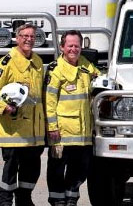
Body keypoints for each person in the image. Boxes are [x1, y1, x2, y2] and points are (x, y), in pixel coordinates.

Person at [0, 23, 46, 206]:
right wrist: (4, 107)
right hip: (14, 130)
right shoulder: (7, 62)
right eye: (25, 36)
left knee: (32, 169)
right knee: (11, 170)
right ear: (17, 38)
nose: (29, 39)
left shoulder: (38, 62)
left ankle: (24, 200)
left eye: (32, 36)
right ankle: (5, 201)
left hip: (34, 131)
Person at [45, 30, 101, 206]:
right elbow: (49, 102)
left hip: (83, 135)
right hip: (61, 133)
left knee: (79, 170)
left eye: (77, 46)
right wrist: (52, 128)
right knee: (56, 169)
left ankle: (71, 200)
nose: (74, 49)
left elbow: (100, 79)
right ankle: (57, 201)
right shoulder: (55, 70)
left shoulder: (86, 66)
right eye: (70, 46)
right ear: (62, 47)